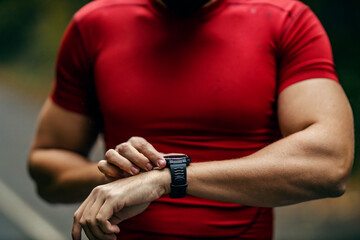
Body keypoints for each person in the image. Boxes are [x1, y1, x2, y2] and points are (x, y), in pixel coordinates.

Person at [28, 0, 354, 239]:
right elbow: (47, 170)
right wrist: (118, 176)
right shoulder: (94, 24)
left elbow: (330, 163)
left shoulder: (285, 20)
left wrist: (166, 179)